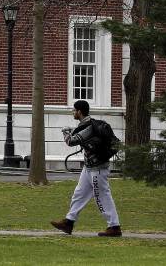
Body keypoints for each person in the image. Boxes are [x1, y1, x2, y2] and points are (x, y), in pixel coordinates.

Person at [51, 100, 122, 237]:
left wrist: (65, 132)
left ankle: (114, 226)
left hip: (97, 169)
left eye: (74, 110)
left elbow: (71, 141)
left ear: (79, 112)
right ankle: (68, 222)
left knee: (102, 196)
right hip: (89, 167)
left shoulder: (88, 128)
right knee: (79, 194)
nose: (73, 112)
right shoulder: (87, 125)